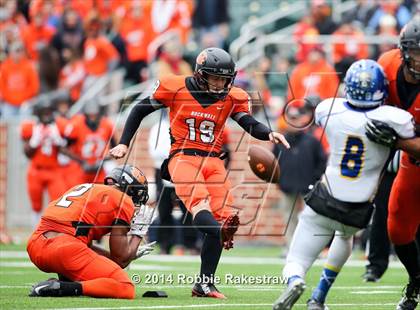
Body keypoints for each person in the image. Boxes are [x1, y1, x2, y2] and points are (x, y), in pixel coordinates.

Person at [109, 47, 290, 298]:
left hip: (214, 161)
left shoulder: (232, 96)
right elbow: (139, 110)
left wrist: (267, 133)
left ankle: (204, 284)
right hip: (183, 157)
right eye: (214, 77)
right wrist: (124, 142)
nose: (219, 84)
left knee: (224, 218)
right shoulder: (175, 87)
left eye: (224, 79)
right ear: (199, 73)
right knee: (203, 210)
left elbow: (247, 121)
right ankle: (219, 234)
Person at [272, 59, 415, 310]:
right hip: (357, 209)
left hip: (326, 198)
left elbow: (321, 113)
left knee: (297, 258)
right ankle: (319, 297)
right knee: (344, 237)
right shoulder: (396, 118)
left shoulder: (330, 109)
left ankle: (295, 280)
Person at [27, 164, 156, 299]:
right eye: (138, 195)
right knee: (125, 287)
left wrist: (130, 254)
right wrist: (138, 234)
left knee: (90, 273)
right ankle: (63, 288)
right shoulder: (123, 199)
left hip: (36, 245)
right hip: (64, 249)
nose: (136, 203)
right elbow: (121, 259)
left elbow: (90, 249)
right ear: (130, 188)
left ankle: (61, 284)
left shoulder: (85, 188)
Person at [363, 16, 420, 310]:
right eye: (417, 52)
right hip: (413, 165)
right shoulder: (385, 65)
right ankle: (415, 280)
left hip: (411, 153)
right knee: (397, 229)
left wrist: (397, 142)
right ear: (403, 51)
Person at [20, 99, 68, 226]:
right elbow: (27, 153)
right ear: (38, 113)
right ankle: (36, 231)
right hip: (36, 170)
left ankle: (55, 230)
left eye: (49, 112)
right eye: (44, 112)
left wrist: (58, 139)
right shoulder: (30, 127)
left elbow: (67, 150)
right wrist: (35, 140)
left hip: (54, 170)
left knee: (59, 202)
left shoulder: (59, 126)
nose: (46, 115)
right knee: (36, 205)